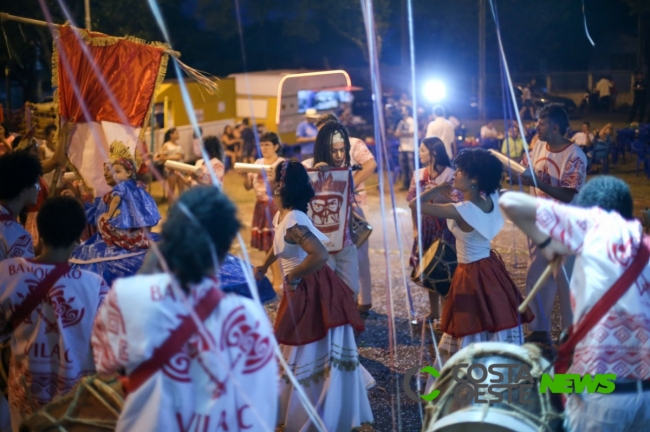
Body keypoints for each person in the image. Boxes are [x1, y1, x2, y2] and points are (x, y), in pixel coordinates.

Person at [92, 187, 278, 432]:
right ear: (224, 251)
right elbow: (262, 401)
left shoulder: (126, 296)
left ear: (169, 238)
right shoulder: (248, 317)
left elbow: (105, 367)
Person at [500, 176, 650, 432]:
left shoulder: (594, 224)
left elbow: (509, 200)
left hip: (602, 387)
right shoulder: (644, 245)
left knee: (526, 390)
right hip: (646, 390)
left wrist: (547, 244)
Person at [254, 160, 373, 431]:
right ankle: (300, 404)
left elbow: (318, 255)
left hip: (310, 288)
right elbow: (280, 244)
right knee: (297, 347)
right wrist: (265, 264)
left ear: (282, 185)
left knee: (306, 346)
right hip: (300, 286)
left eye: (272, 176)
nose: (269, 180)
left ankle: (315, 407)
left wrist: (294, 277)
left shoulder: (295, 219)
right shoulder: (281, 216)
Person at [409, 148, 534, 364]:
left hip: (469, 273)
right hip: (490, 268)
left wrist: (439, 187)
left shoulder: (460, 209)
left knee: (470, 322)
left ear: (475, 179)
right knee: (493, 318)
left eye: (460, 171)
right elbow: (481, 190)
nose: (454, 174)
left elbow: (414, 205)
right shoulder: (492, 199)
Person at [0, 197, 108, 430]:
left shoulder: (8, 273)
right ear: (79, 235)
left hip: (26, 395)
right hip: (75, 403)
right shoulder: (94, 285)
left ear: (38, 229)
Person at [520, 103, 587, 345]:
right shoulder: (537, 145)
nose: (536, 127)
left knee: (565, 281)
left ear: (555, 127)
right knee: (536, 276)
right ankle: (538, 329)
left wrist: (537, 182)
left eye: (541, 123)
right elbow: (526, 168)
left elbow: (568, 194)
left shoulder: (575, 156)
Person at [70, 141, 161, 285]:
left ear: (129, 172)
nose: (108, 173)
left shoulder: (125, 194)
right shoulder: (110, 198)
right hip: (130, 244)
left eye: (114, 170)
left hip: (119, 248)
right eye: (106, 170)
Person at [314, 114, 377, 314]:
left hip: (356, 206)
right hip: (332, 210)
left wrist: (350, 184)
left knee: (360, 253)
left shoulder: (355, 143)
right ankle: (339, 302)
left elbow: (370, 164)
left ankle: (364, 301)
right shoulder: (322, 152)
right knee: (333, 252)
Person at [302, 122, 361, 300]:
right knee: (325, 294)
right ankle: (331, 327)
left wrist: (352, 232)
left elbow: (347, 205)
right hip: (320, 244)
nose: (339, 155)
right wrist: (313, 173)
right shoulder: (307, 167)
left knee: (352, 290)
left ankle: (346, 325)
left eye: (343, 150)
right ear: (324, 149)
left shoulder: (346, 171)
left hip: (345, 242)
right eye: (334, 151)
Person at [407, 138, 456, 325]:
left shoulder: (450, 174)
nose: (419, 154)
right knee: (428, 268)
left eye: (422, 150)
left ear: (433, 153)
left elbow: (456, 200)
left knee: (445, 268)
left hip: (446, 225)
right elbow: (413, 206)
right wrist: (415, 230)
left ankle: (447, 315)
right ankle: (434, 312)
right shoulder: (418, 174)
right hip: (425, 225)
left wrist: (439, 198)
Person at [241, 132, 284, 289]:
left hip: (274, 206)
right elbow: (247, 186)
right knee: (267, 245)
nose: (264, 148)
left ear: (276, 146)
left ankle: (279, 280)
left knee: (276, 243)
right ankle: (276, 279)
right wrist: (245, 176)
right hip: (260, 206)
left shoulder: (281, 163)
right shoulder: (257, 162)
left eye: (267, 145)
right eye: (262, 144)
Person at [0, 152, 41, 261]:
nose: (40, 189)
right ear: (23, 189)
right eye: (37, 184)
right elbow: (23, 275)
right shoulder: (19, 237)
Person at [154, 127, 185, 203]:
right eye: (176, 133)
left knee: (182, 188)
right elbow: (161, 157)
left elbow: (181, 156)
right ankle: (171, 207)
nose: (178, 135)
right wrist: (175, 157)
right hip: (171, 169)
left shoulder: (177, 145)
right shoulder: (166, 145)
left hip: (180, 168)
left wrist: (179, 156)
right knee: (172, 189)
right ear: (171, 135)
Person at [394, 105, 416, 191]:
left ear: (407, 111)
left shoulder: (411, 121)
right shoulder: (401, 122)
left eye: (403, 110)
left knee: (412, 168)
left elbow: (412, 134)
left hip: (410, 148)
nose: (401, 111)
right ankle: (406, 185)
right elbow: (396, 134)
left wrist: (401, 134)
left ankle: (415, 186)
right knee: (404, 168)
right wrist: (400, 134)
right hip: (402, 148)